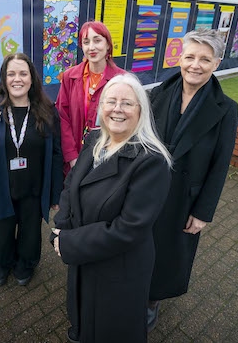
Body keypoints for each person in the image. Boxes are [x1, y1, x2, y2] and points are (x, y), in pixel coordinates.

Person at [51, 73, 172, 343]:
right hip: (86, 253)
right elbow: (71, 186)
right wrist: (61, 228)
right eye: (111, 101)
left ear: (141, 111)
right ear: (101, 107)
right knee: (83, 316)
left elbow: (129, 229)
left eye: (127, 103)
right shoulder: (94, 140)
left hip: (119, 267)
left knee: (110, 328)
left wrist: (69, 243)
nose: (117, 109)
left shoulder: (151, 161)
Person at [147, 29, 238, 330]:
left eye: (205, 59)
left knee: (168, 252)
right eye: (190, 57)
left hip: (184, 197)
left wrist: (203, 212)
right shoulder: (157, 93)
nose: (195, 65)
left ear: (217, 63)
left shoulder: (226, 108)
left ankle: (151, 300)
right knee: (140, 243)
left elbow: (220, 163)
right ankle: (133, 288)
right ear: (180, 57)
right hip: (148, 190)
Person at [0, 53, 63, 287]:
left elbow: (55, 154)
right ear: (4, 78)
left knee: (30, 235)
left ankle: (26, 264)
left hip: (33, 189)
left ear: (32, 78)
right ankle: (1, 263)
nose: (17, 79)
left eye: (23, 73)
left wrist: (55, 193)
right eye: (11, 74)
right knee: (0, 235)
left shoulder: (47, 110)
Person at [56, 21, 126, 174]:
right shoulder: (70, 77)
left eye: (97, 40)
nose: (92, 47)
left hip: (108, 158)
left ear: (108, 45)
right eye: (86, 42)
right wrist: (72, 156)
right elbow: (62, 117)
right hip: (75, 158)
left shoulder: (122, 80)